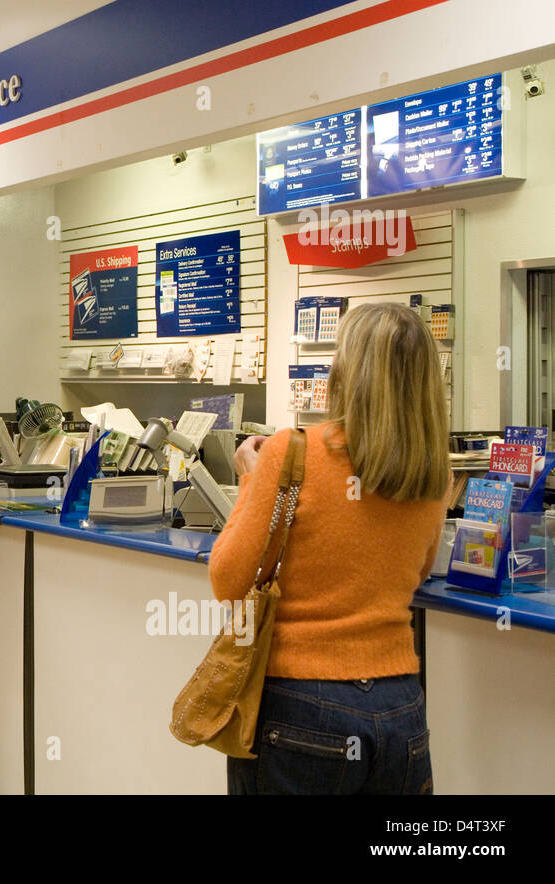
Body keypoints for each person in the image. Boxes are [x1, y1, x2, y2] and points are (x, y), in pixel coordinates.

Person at [209, 302, 449, 795]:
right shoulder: (434, 474)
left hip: (300, 707)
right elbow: (419, 569)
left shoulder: (289, 451)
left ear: (345, 371)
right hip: (401, 709)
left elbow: (229, 581)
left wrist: (253, 483)